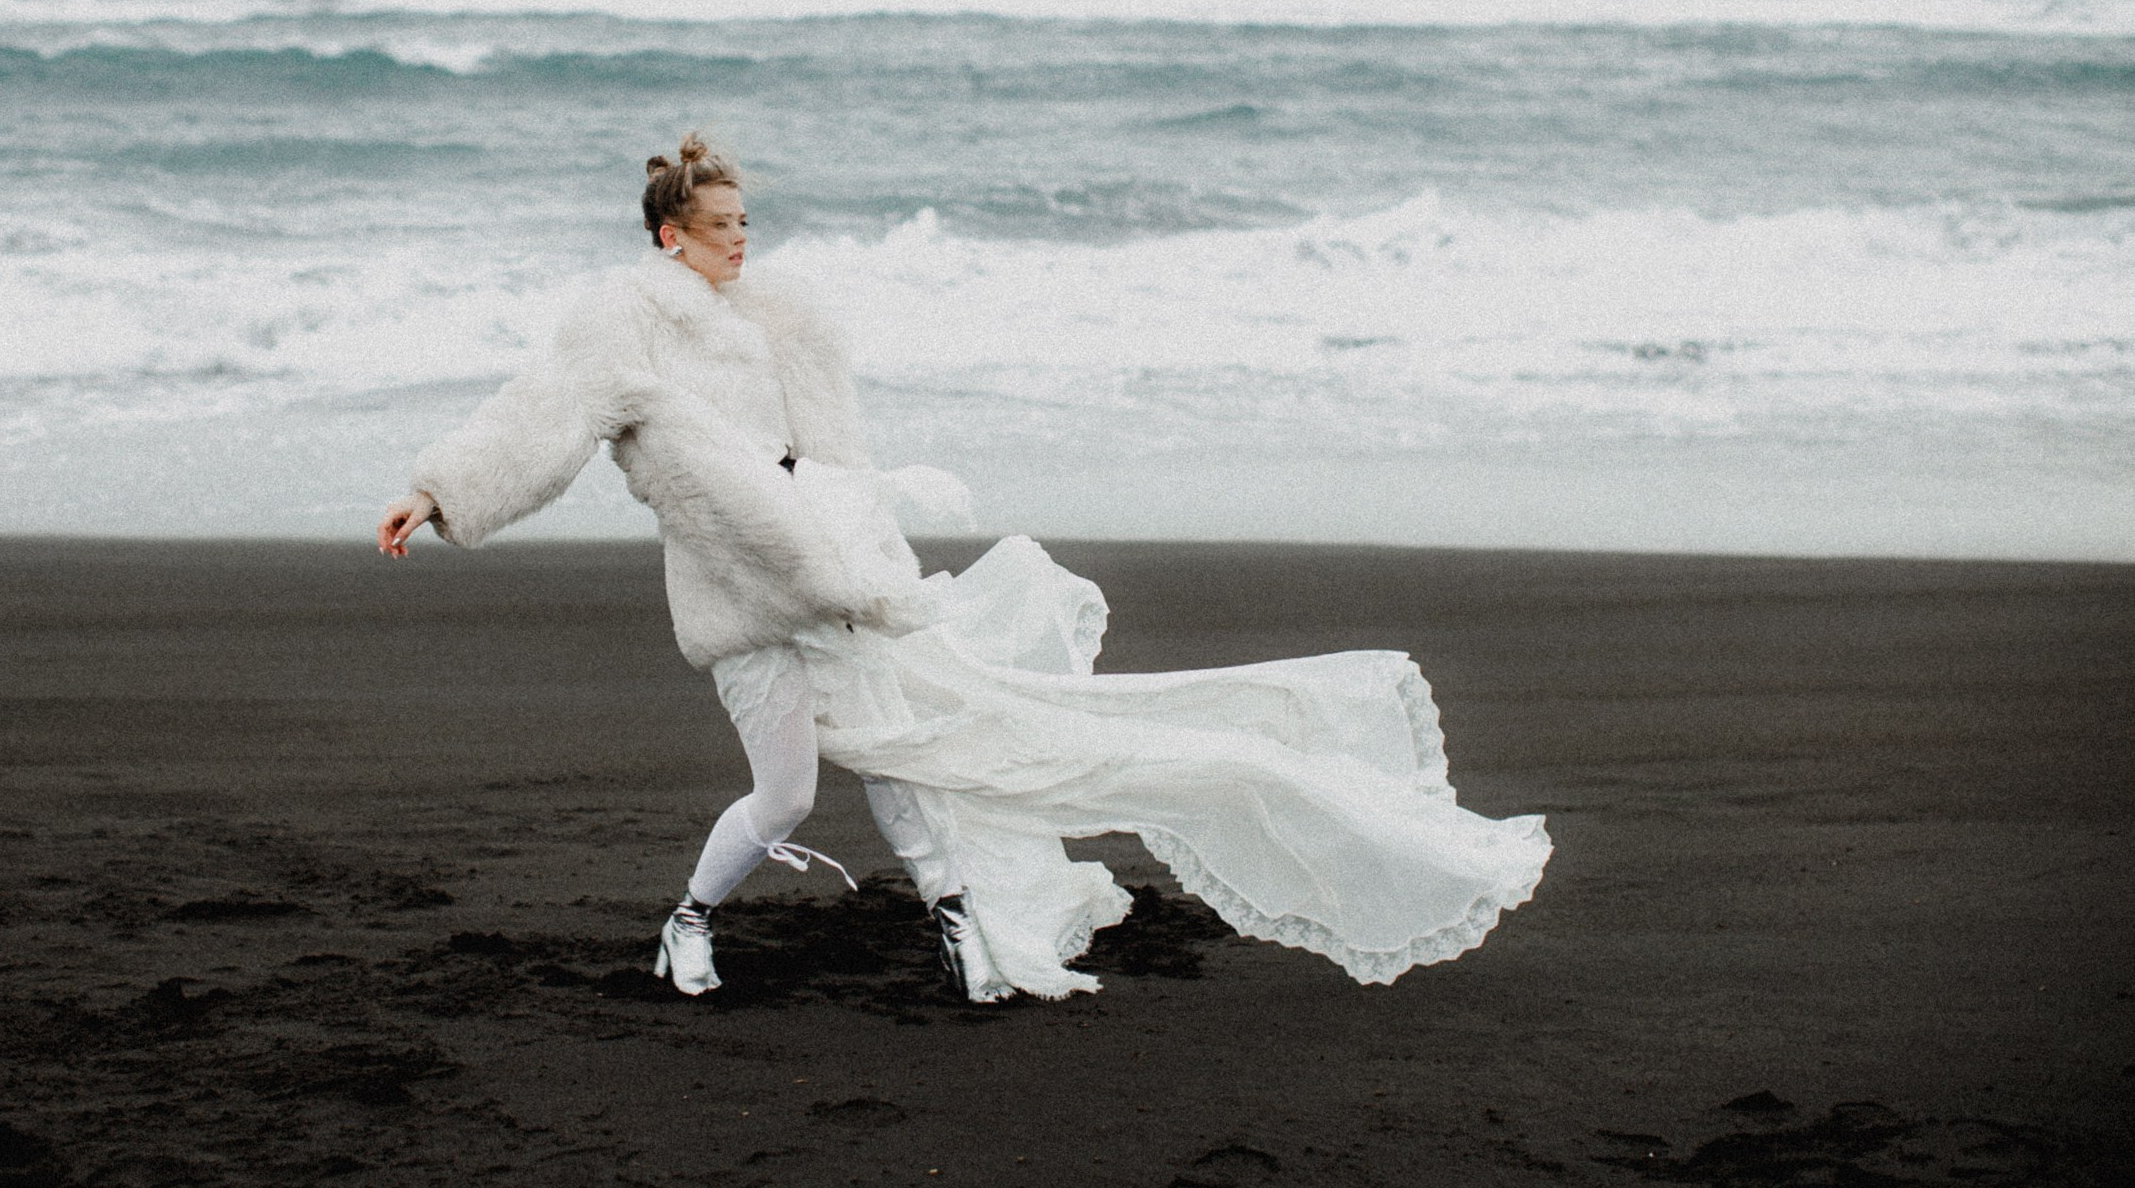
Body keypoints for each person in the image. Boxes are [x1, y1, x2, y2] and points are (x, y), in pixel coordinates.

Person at [379, 135, 1550, 1002]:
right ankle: (688, 920)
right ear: (667, 233)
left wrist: (868, 545)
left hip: (843, 579)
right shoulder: (622, 320)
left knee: (914, 760)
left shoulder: (781, 316)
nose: (744, 237)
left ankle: (960, 926)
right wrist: (441, 491)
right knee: (786, 794)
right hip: (744, 599)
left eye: (749, 219)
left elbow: (826, 457)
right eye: (723, 222)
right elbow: (539, 416)